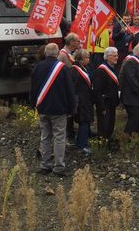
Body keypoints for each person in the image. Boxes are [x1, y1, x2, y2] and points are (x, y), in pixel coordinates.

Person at [30, 43, 76, 176]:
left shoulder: (38, 67)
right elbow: (70, 91)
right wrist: (71, 108)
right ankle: (59, 167)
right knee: (59, 138)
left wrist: (34, 105)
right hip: (59, 109)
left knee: (45, 137)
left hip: (43, 107)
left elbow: (33, 89)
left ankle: (45, 165)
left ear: (45, 53)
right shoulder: (63, 68)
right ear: (57, 53)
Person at [93, 47, 120, 140]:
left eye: (117, 55)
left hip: (112, 103)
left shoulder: (113, 68)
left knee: (110, 126)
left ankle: (108, 144)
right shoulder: (101, 71)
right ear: (107, 57)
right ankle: (102, 148)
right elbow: (97, 91)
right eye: (114, 56)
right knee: (104, 127)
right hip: (104, 104)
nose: (117, 57)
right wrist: (101, 107)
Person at [71, 49, 94, 155]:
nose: (89, 59)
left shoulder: (84, 68)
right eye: (87, 58)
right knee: (83, 121)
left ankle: (81, 141)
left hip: (86, 99)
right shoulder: (74, 70)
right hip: (80, 100)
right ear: (80, 59)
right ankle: (82, 145)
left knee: (85, 121)